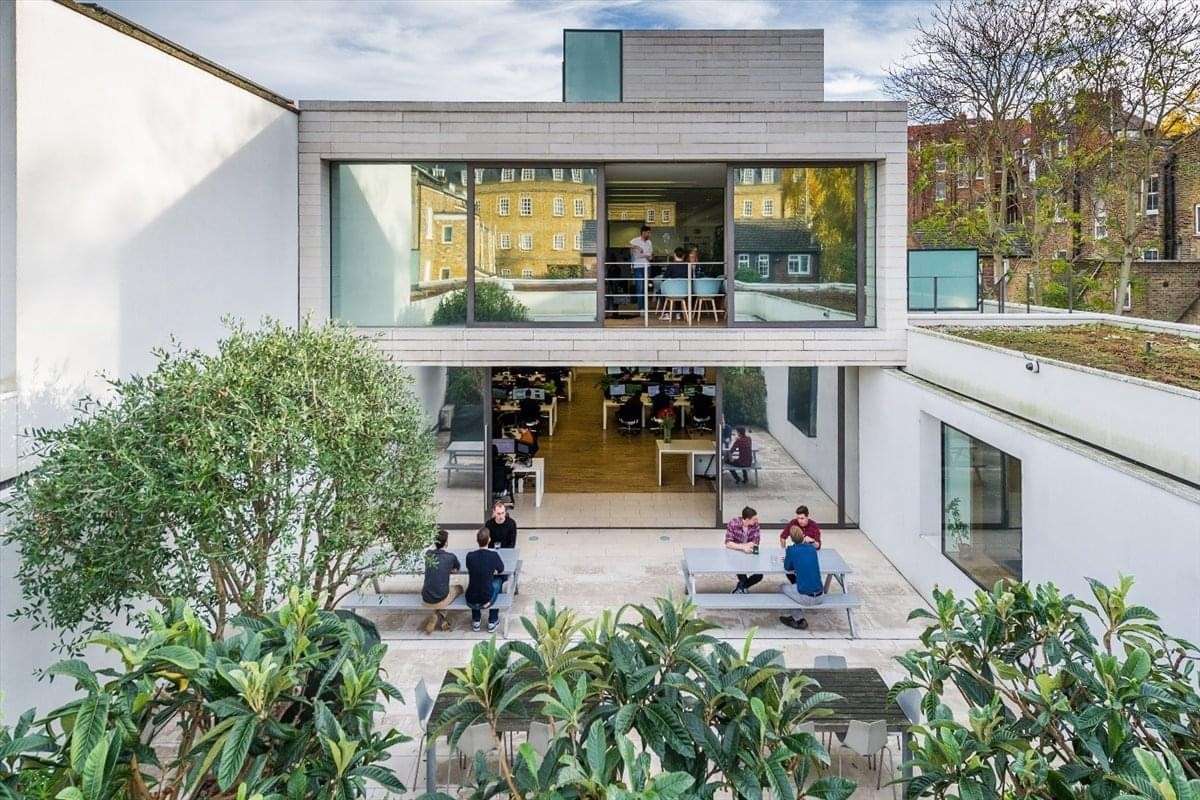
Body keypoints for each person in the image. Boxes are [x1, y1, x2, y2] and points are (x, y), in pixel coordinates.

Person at [778, 523, 824, 630]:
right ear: (803, 536)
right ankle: (797, 616)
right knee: (796, 585)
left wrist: (790, 559)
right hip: (821, 595)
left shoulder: (791, 550)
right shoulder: (812, 549)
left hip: (806, 597)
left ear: (792, 540)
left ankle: (798, 619)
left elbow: (787, 568)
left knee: (782, 587)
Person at [420, 529, 462, 634]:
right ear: (446, 543)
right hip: (441, 597)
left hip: (425, 597)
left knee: (440, 589)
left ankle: (437, 615)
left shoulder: (428, 554)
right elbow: (457, 568)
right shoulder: (450, 557)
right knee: (459, 588)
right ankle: (440, 615)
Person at [465, 527, 506, 633]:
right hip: (486, 597)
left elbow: (472, 568)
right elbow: (501, 569)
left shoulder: (470, 556)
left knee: (476, 582)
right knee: (499, 581)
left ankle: (476, 620)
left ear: (477, 541)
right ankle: (492, 620)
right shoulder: (493, 555)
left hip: (470, 598)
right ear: (489, 540)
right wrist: (492, 570)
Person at [724, 505, 762, 593]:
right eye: (754, 519)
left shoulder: (755, 525)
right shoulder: (733, 523)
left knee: (759, 575)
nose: (756, 521)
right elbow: (728, 543)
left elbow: (756, 542)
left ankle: (741, 587)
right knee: (741, 571)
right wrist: (744, 547)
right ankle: (743, 587)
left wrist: (739, 545)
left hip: (749, 553)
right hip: (735, 554)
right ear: (747, 520)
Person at [629, 225, 653, 310]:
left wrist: (649, 257)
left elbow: (650, 256)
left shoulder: (649, 242)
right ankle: (641, 308)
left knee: (646, 288)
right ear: (643, 232)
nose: (649, 235)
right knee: (640, 287)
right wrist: (637, 247)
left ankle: (645, 306)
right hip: (638, 267)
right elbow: (626, 245)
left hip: (647, 266)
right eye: (648, 233)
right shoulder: (635, 240)